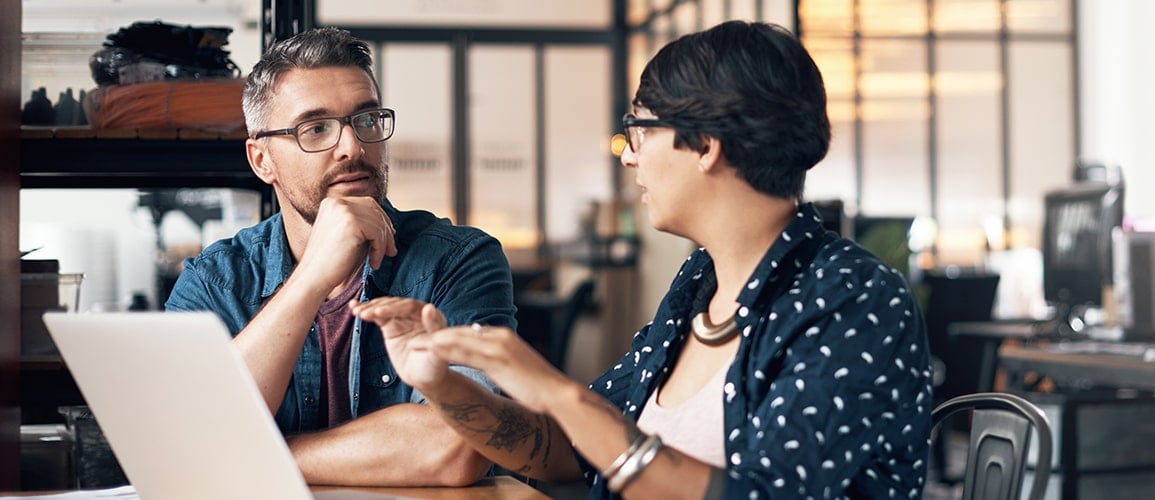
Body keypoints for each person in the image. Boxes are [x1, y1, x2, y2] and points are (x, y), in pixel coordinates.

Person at [351, 20, 933, 499]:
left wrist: (557, 390)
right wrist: (445, 387)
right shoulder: (698, 283)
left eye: (639, 130)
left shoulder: (854, 298)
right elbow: (571, 450)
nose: (630, 158)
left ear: (705, 144)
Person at [164, 27, 516, 487]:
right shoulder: (215, 281)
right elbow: (178, 442)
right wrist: (311, 279)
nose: (352, 147)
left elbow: (460, 445)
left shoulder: (459, 261)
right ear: (261, 160)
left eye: (367, 120)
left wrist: (247, 449)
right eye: (315, 128)